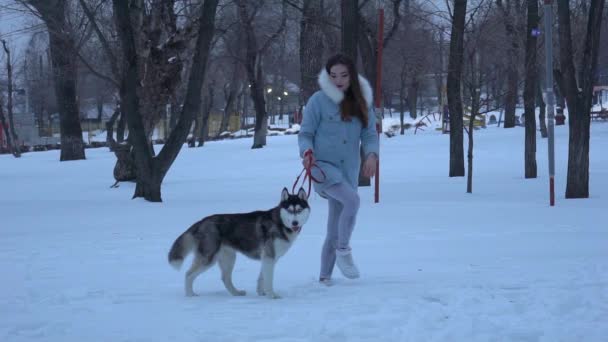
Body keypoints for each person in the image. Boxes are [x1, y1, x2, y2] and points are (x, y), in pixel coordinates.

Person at [298, 54, 379, 285]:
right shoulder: (318, 100)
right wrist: (307, 152)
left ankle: (324, 277)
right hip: (322, 168)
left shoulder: (362, 101)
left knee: (334, 226)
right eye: (333, 76)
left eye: (343, 75)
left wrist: (371, 155)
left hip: (348, 171)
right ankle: (344, 251)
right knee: (352, 202)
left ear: (352, 76)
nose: (338, 80)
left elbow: (369, 134)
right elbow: (305, 134)